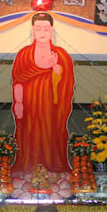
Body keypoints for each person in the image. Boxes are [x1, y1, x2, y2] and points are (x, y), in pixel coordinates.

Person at [11, 11, 75, 174]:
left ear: (52, 30)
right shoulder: (24, 54)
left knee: (51, 135)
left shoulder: (61, 55)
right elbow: (18, 81)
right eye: (38, 29)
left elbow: (66, 83)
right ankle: (28, 169)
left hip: (51, 108)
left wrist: (54, 67)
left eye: (46, 29)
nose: (42, 33)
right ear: (33, 30)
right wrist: (19, 103)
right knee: (29, 134)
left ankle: (52, 168)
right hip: (29, 106)